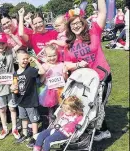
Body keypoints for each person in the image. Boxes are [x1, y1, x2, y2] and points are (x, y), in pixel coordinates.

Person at [64, 0, 112, 141]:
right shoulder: (69, 44)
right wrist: (78, 65)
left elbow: (103, 13)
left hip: (102, 76)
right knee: (88, 104)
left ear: (83, 22)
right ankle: (93, 129)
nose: (76, 25)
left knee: (98, 105)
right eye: (73, 24)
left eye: (78, 22)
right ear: (70, 27)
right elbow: (67, 64)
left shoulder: (94, 31)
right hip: (85, 81)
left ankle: (103, 131)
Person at [39, 44, 87, 123]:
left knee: (61, 107)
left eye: (54, 55)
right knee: (51, 109)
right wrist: (44, 73)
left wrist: (65, 73)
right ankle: (51, 123)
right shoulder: (44, 66)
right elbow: (41, 81)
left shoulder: (61, 65)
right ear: (46, 56)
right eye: (49, 56)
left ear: (57, 54)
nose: (52, 58)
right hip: (49, 92)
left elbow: (65, 79)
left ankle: (61, 122)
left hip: (60, 90)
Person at [10, 50, 45, 146]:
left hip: (31, 101)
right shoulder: (15, 73)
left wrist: (35, 61)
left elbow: (42, 71)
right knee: (23, 118)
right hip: (20, 101)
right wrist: (12, 88)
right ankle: (25, 134)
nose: (25, 60)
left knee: (34, 120)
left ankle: (34, 137)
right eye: (23, 59)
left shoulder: (30, 70)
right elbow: (14, 86)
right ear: (17, 60)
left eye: (26, 58)